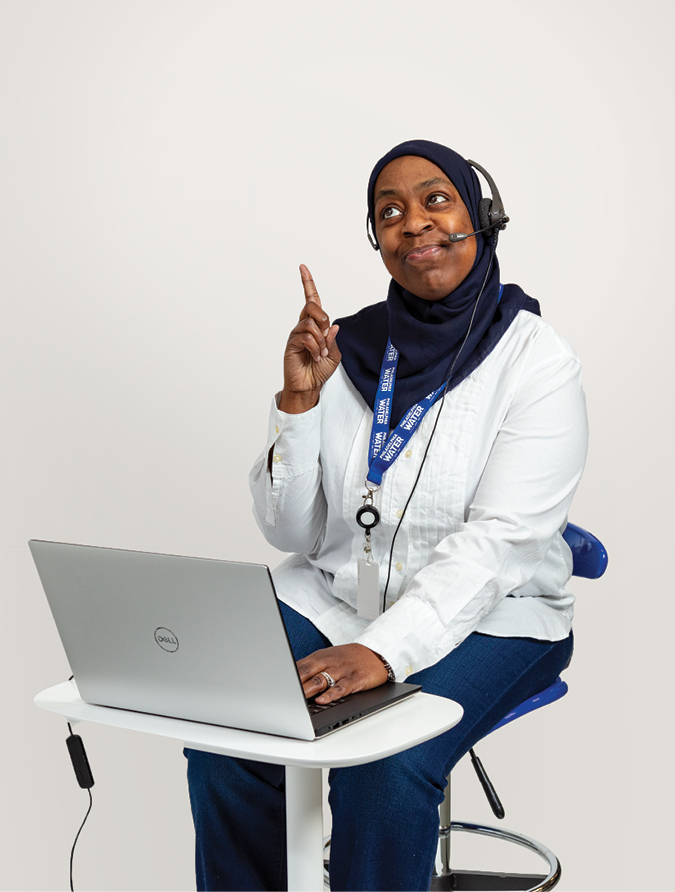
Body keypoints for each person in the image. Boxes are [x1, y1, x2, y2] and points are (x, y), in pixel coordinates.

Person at [185, 139, 588, 891]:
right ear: (377, 240)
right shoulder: (349, 348)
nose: (413, 224)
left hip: (495, 613)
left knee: (385, 765)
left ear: (482, 216)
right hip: (339, 596)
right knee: (226, 738)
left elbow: (498, 548)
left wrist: (384, 653)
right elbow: (292, 534)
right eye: (389, 212)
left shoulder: (538, 363)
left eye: (436, 200)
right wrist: (299, 405)